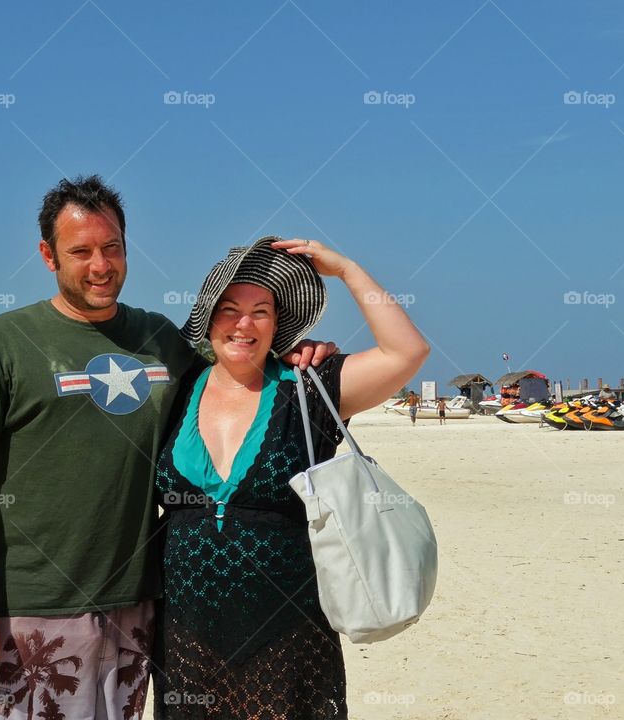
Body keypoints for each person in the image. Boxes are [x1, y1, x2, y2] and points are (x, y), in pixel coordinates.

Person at [0, 177, 335, 720]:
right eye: (80, 251)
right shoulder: (8, 340)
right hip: (32, 606)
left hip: (137, 605)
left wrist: (299, 351)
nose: (100, 265)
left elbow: (236, 366)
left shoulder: (162, 340)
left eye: (112, 248)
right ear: (47, 255)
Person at [152, 236, 428, 719]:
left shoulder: (310, 387)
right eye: (230, 309)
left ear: (278, 324)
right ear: (208, 316)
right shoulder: (175, 389)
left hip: (288, 635)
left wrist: (346, 269)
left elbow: (407, 352)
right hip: (185, 635)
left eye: (261, 311)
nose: (244, 324)